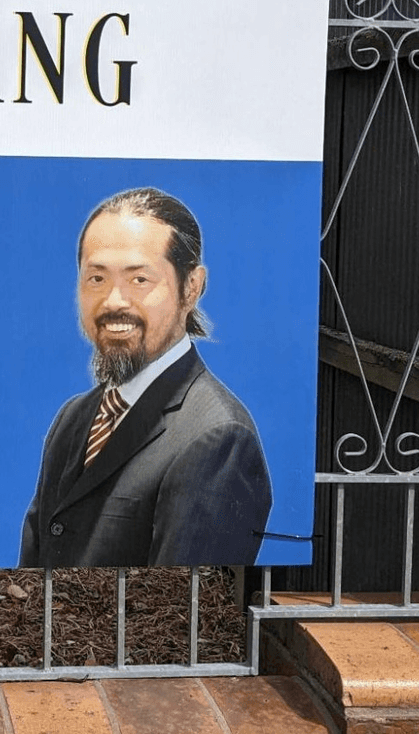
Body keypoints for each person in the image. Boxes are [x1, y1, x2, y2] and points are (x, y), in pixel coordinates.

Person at [19, 187, 271, 567]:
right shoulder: (73, 418)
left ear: (192, 288)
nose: (114, 301)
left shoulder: (217, 438)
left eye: (139, 280)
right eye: (96, 279)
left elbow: (183, 611)